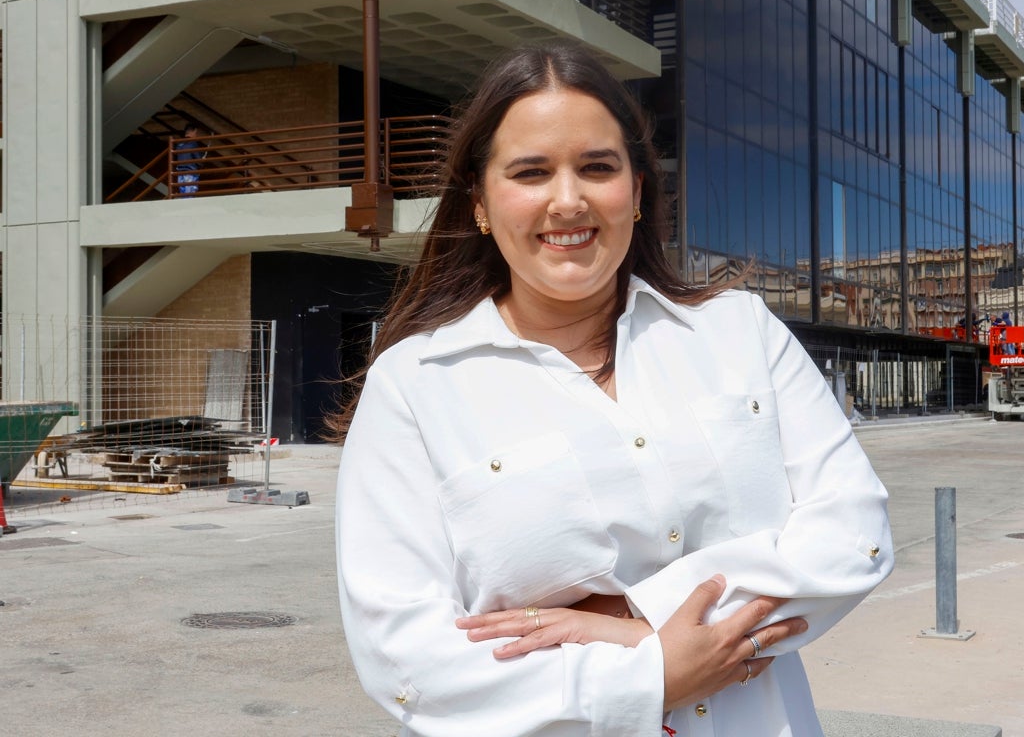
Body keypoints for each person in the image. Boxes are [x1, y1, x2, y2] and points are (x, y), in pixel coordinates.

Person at [333, 41, 894, 736]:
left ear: (636, 191)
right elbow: (407, 662)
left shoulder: (738, 332)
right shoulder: (416, 385)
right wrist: (653, 675)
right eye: (531, 172)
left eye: (597, 168)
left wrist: (637, 620)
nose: (567, 201)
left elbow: (854, 537)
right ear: (480, 203)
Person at [175, 124, 206, 196]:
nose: (196, 135)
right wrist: (202, 160)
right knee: (189, 195)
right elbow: (199, 161)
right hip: (190, 174)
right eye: (196, 133)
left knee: (183, 195)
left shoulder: (179, 144)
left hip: (180, 174)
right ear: (194, 131)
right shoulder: (193, 143)